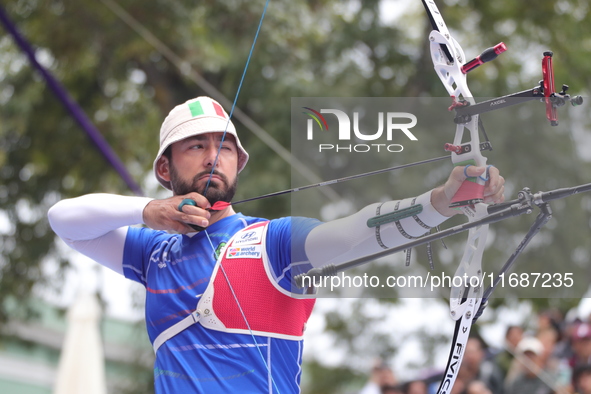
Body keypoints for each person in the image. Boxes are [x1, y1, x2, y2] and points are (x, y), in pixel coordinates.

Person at [47, 96, 505, 393]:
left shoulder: (274, 242)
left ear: (238, 163)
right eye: (196, 146)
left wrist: (440, 201)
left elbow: (358, 231)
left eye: (224, 147)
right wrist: (148, 212)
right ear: (165, 170)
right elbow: (64, 220)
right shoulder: (152, 252)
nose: (213, 156)